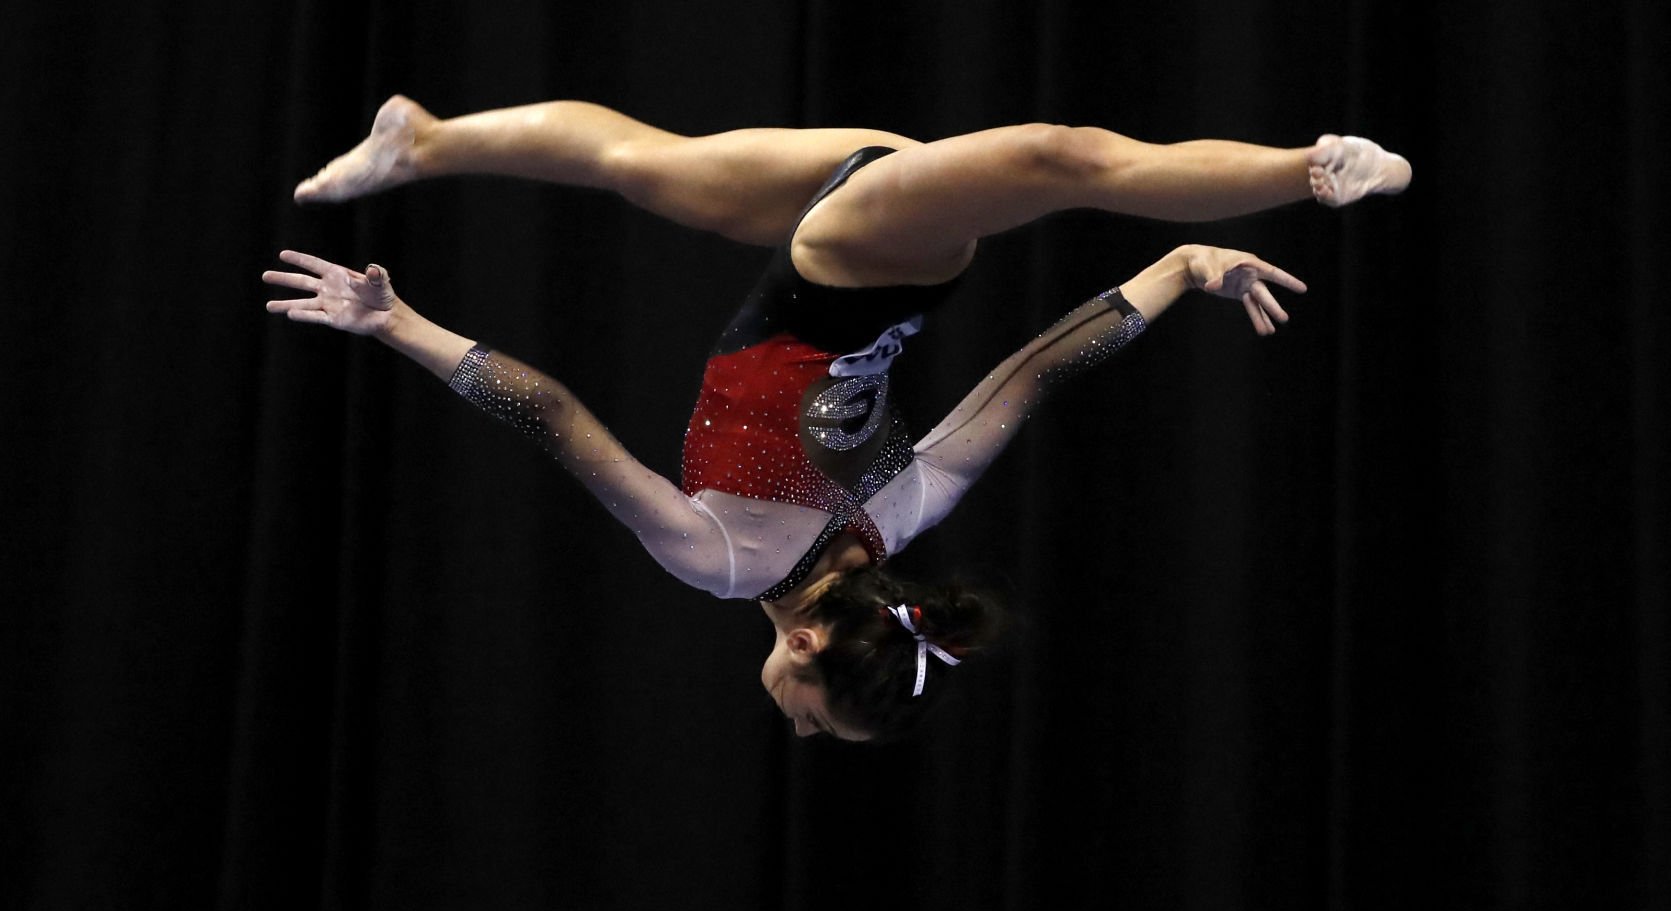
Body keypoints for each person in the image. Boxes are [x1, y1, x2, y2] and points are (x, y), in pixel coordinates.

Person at [265, 97, 1410, 740]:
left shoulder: (847, 528)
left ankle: (425, 141)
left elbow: (1029, 377)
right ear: (809, 647)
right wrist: (397, 327)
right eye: (817, 721)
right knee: (1071, 160)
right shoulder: (732, 556)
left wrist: (1173, 274)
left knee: (633, 160)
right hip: (867, 257)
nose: (799, 730)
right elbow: (553, 416)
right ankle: (1313, 166)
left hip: (838, 228)